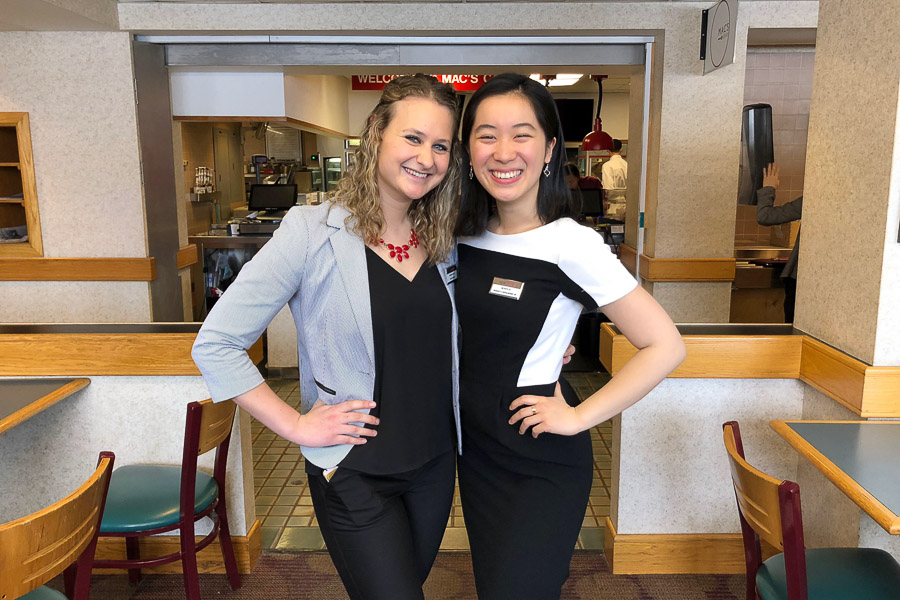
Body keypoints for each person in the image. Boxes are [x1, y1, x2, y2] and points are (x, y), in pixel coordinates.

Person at [192, 74, 464, 600]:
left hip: (434, 465)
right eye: (412, 138)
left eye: (440, 146)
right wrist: (295, 424)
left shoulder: (444, 241)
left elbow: (466, 333)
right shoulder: (310, 231)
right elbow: (217, 341)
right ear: (375, 135)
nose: (426, 158)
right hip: (355, 469)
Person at [453, 73, 686, 599]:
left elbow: (666, 345)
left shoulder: (571, 244)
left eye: (522, 133)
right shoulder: (461, 234)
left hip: (539, 452)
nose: (504, 151)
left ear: (550, 148)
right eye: (487, 134)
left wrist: (580, 416)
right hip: (477, 450)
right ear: (468, 150)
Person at [756, 162, 802, 323]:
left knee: (793, 329)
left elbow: (765, 216)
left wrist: (769, 187)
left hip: (799, 276)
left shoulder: (816, 199)